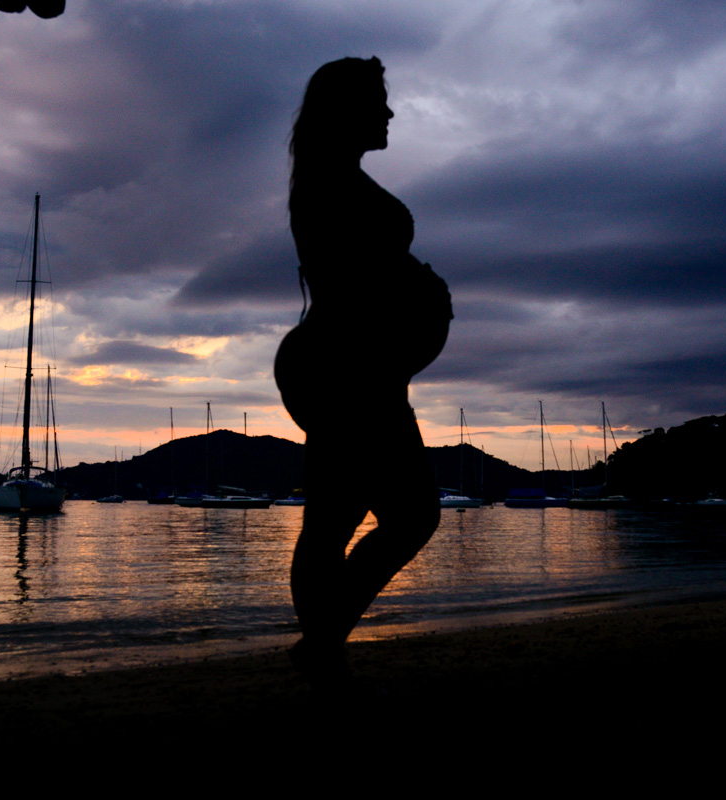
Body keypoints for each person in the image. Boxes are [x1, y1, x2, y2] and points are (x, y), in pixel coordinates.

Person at [274, 57, 452, 683]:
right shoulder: (328, 185)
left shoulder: (335, 179)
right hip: (346, 367)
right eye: (378, 101)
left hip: (356, 365)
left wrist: (419, 285)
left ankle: (322, 645)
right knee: (405, 515)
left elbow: (371, 272)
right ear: (347, 109)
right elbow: (353, 280)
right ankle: (323, 642)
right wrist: (418, 286)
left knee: (335, 516)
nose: (389, 112)